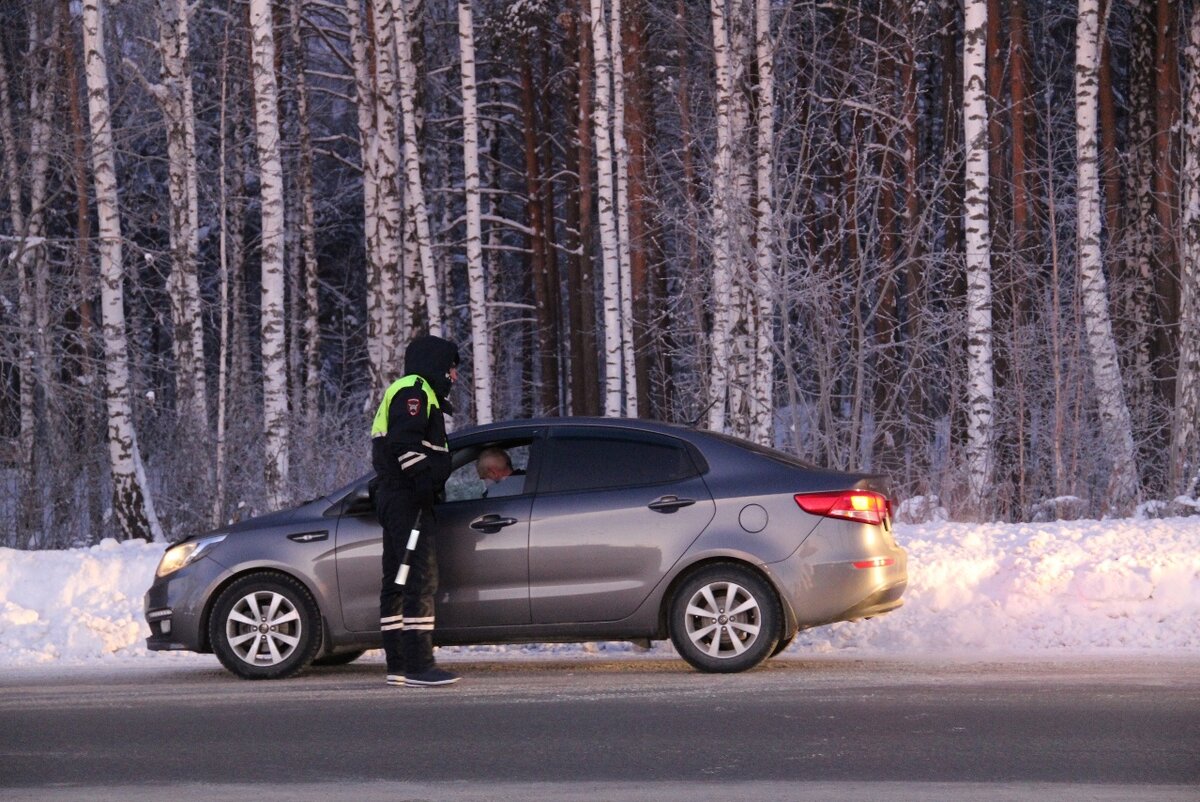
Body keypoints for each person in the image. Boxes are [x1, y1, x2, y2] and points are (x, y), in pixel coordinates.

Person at [370, 334, 460, 687]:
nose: (454, 377)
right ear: (436, 364)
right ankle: (420, 665)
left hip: (396, 497)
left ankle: (398, 663)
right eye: (452, 368)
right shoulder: (415, 389)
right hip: (408, 499)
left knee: (397, 580)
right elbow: (404, 441)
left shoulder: (414, 391)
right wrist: (424, 482)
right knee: (420, 577)